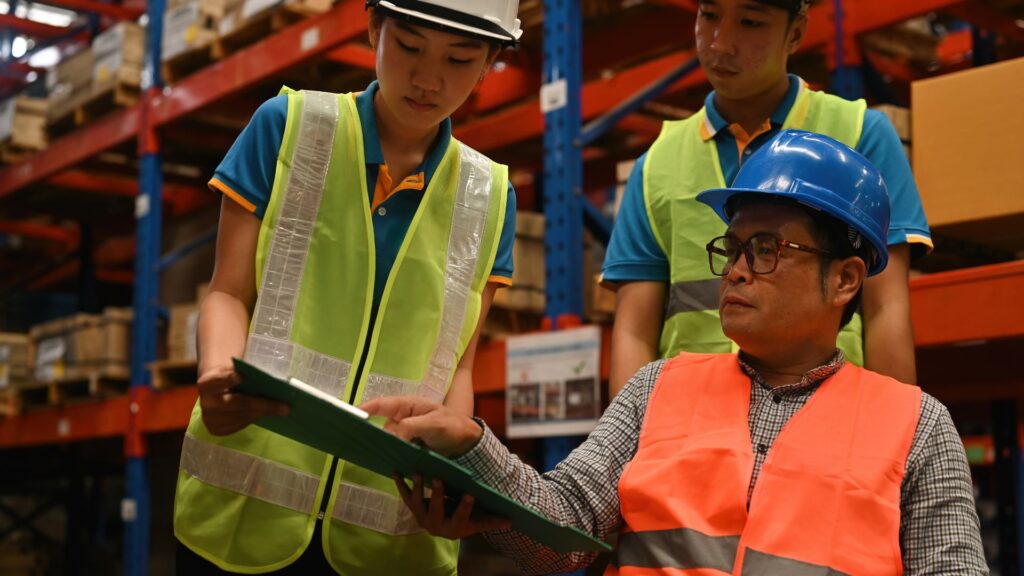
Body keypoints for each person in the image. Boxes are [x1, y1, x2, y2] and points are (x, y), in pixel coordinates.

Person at [363, 131, 988, 575]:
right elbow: (564, 535)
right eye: (733, 248)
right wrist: (472, 447)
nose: (735, 270)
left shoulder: (918, 428)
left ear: (846, 279)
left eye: (766, 249)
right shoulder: (656, 389)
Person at [173, 1, 523, 574]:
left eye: (459, 60)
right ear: (374, 28)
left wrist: (449, 472)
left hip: (391, 538)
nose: (429, 80)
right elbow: (228, 292)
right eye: (409, 47)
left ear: (488, 64)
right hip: (244, 511)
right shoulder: (287, 126)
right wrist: (218, 373)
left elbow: (458, 366)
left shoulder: (491, 197)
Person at [604, 0, 932, 396]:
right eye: (709, 16)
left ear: (795, 33)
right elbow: (633, 332)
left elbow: (885, 309)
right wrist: (630, 432)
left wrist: (892, 427)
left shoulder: (860, 134)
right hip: (689, 418)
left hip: (827, 410)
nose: (720, 43)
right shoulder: (656, 164)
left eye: (750, 22)